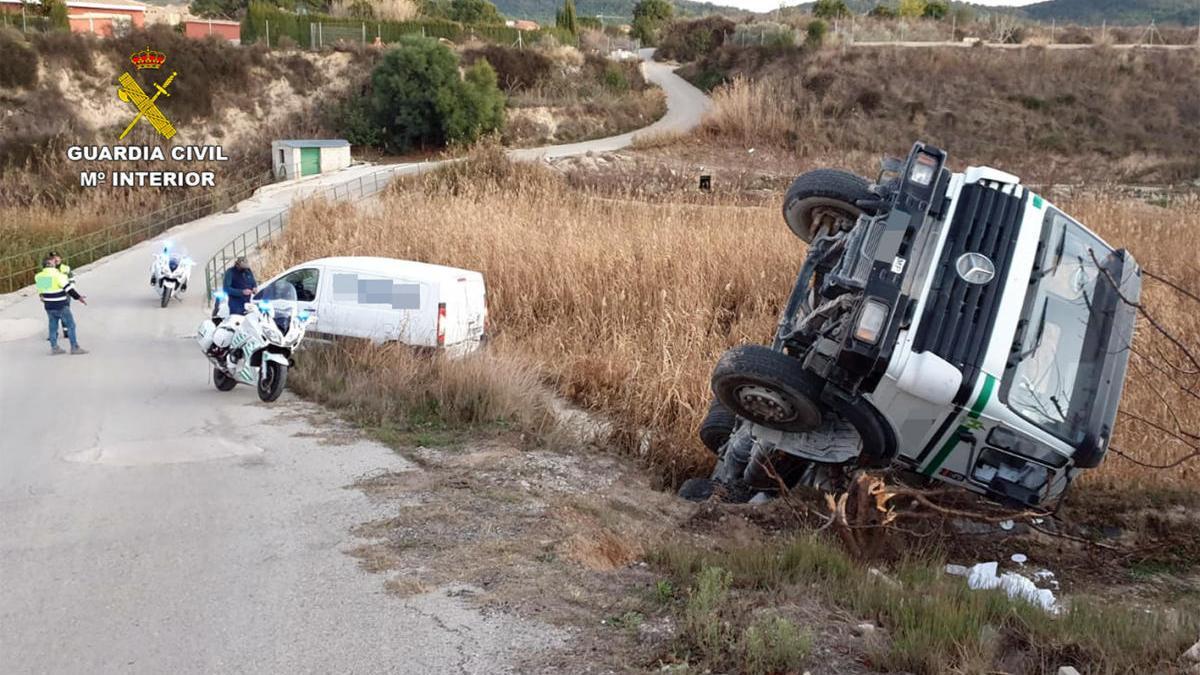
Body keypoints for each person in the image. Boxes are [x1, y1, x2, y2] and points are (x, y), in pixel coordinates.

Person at [34, 257, 88, 355]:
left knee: (53, 326)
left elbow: (42, 292)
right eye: (54, 262)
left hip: (49, 306)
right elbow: (69, 289)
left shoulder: (39, 276)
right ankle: (74, 347)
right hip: (61, 305)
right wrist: (79, 297)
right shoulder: (58, 275)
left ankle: (54, 348)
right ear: (52, 265)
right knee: (71, 325)